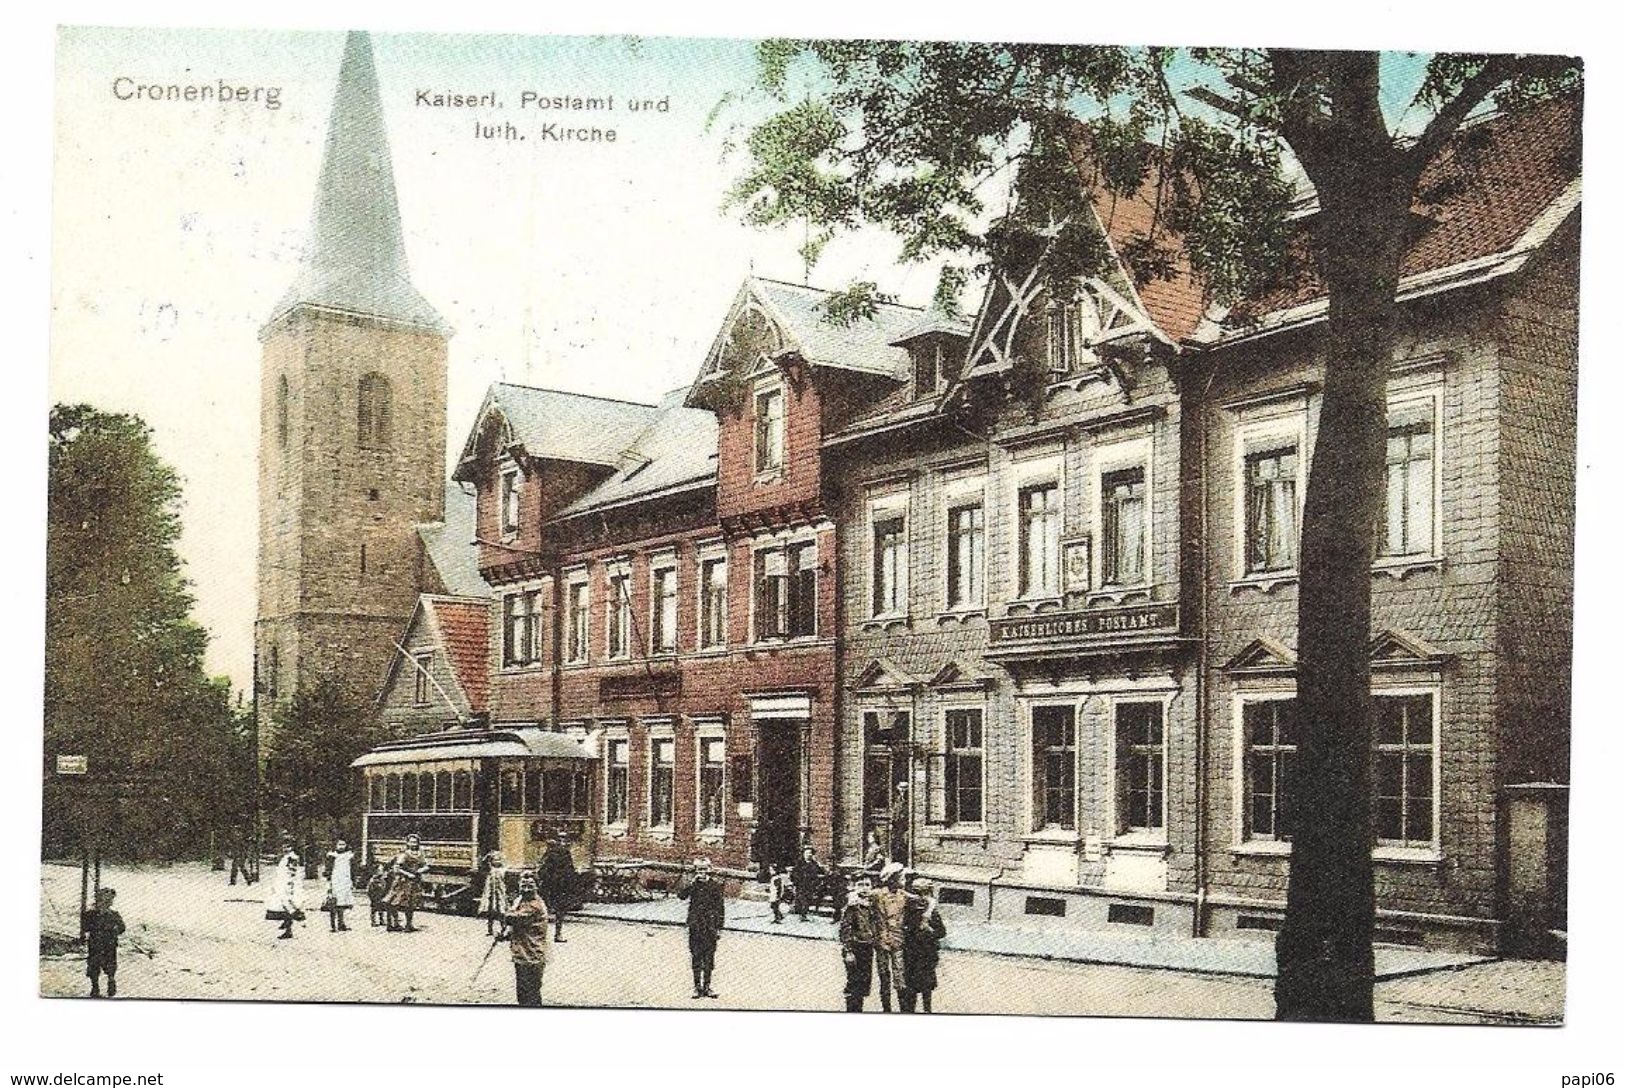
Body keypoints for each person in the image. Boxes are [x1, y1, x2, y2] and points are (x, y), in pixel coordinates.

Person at [676, 857, 724, 999]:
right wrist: (690, 882)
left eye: (705, 869)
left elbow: (720, 908)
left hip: (710, 927)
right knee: (696, 956)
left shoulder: (715, 886)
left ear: (710, 869)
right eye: (699, 870)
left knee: (709, 958)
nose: (702, 872)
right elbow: (681, 896)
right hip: (695, 926)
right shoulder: (694, 885)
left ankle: (707, 987)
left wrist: (719, 928)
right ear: (696, 871)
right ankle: (697, 987)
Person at [502, 871, 551, 1007]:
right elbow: (517, 924)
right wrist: (506, 934)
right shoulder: (521, 900)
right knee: (523, 992)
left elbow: (514, 918)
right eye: (523, 886)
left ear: (537, 886)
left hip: (532, 955)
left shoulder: (534, 905)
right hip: (522, 954)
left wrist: (505, 913)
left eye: (530, 886)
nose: (526, 889)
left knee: (530, 993)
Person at [899, 879, 947, 1013]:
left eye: (924, 893)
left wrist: (929, 930)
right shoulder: (908, 911)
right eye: (917, 893)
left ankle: (927, 1010)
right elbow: (904, 929)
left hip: (927, 954)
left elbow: (942, 932)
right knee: (911, 987)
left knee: (926, 987)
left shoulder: (932, 914)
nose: (921, 897)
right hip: (912, 954)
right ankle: (910, 1011)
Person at [869, 861, 909, 1011]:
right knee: (884, 976)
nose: (904, 880)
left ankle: (904, 1009)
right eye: (901, 877)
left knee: (900, 976)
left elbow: (925, 901)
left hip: (898, 940)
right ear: (893, 879)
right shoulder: (878, 894)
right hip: (882, 942)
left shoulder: (903, 895)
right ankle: (887, 1010)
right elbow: (859, 896)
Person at [838, 872, 878, 1012]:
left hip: (867, 947)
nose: (864, 888)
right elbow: (845, 928)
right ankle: (852, 1011)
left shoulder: (871, 904)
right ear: (854, 887)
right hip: (854, 947)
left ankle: (857, 1009)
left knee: (863, 983)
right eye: (860, 885)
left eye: (867, 885)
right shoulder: (852, 905)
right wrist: (848, 951)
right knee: (854, 981)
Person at [82, 887, 126, 998]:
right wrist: (96, 926)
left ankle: (111, 982)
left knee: (110, 966)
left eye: (108, 901)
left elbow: (122, 928)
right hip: (95, 944)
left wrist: (113, 928)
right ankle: (95, 987)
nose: (104, 904)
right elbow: (85, 928)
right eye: (102, 901)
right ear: (97, 901)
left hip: (109, 944)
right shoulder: (90, 914)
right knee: (94, 966)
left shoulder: (114, 915)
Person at [382, 834, 430, 932]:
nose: (413, 844)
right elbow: (397, 868)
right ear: (407, 843)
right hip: (403, 881)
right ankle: (393, 923)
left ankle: (409, 925)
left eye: (415, 842)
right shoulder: (404, 854)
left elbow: (426, 865)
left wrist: (421, 870)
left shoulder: (420, 854)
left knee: (411, 904)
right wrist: (408, 874)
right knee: (395, 902)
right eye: (411, 842)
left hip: (414, 881)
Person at [536, 831, 577, 943]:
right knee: (556, 911)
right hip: (556, 885)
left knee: (551, 910)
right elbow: (570, 870)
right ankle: (556, 934)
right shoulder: (560, 852)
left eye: (564, 839)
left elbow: (542, 869)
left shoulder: (552, 853)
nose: (563, 842)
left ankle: (552, 935)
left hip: (554, 885)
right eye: (561, 839)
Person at [264, 838, 304, 940]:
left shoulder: (292, 858)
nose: (285, 848)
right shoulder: (285, 857)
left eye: (288, 846)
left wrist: (290, 884)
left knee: (288, 906)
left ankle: (289, 930)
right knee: (283, 905)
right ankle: (286, 924)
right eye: (284, 846)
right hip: (282, 884)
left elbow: (292, 872)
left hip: (288, 885)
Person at [323, 840, 356, 932]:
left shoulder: (349, 856)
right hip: (335, 881)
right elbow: (328, 870)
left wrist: (352, 881)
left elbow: (352, 870)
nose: (341, 847)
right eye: (339, 844)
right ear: (336, 845)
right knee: (333, 902)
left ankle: (341, 923)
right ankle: (333, 926)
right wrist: (329, 882)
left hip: (345, 881)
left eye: (343, 844)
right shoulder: (332, 856)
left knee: (342, 904)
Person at [477, 850, 510, 937]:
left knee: (501, 912)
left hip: (500, 894)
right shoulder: (491, 869)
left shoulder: (503, 870)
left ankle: (503, 928)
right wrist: (488, 856)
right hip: (491, 894)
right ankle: (490, 929)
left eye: (498, 860)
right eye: (494, 860)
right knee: (490, 912)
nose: (496, 862)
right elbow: (483, 862)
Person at [791, 844, 825, 922]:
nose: (809, 855)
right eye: (807, 853)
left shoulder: (814, 864)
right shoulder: (799, 864)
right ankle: (802, 915)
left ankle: (804, 915)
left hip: (810, 886)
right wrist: (797, 881)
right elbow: (794, 874)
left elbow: (821, 872)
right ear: (803, 854)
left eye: (810, 853)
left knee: (808, 900)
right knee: (802, 900)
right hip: (801, 885)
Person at [366, 861, 392, 928]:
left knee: (381, 909)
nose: (381, 871)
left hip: (381, 896)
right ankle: (373, 921)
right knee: (374, 909)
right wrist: (371, 897)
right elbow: (369, 890)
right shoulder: (373, 880)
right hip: (375, 897)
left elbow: (385, 887)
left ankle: (381, 920)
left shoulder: (382, 879)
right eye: (380, 870)